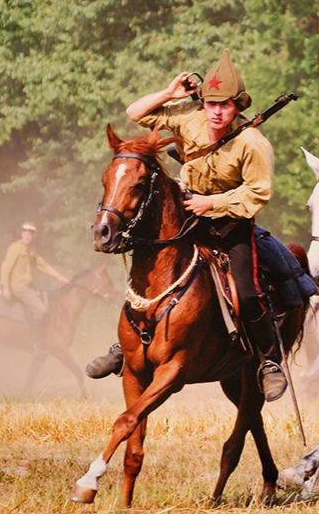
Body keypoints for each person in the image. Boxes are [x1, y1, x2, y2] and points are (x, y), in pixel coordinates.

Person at [84, 49, 288, 402]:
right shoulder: (188, 118)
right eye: (211, 103)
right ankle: (125, 346)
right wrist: (169, 94)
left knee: (247, 292)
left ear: (237, 106)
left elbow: (259, 193)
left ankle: (269, 361)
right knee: (146, 273)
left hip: (230, 224)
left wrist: (213, 202)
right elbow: (135, 113)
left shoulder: (253, 144)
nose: (217, 111)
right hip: (186, 216)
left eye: (225, 104)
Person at [0, 222, 69, 321]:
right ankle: (35, 335)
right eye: (25, 234)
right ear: (22, 234)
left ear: (34, 236)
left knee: (47, 301)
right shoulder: (15, 247)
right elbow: (6, 267)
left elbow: (43, 266)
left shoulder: (31, 250)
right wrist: (6, 287)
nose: (27, 237)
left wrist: (59, 277)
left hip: (28, 286)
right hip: (18, 287)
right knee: (41, 311)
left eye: (30, 234)